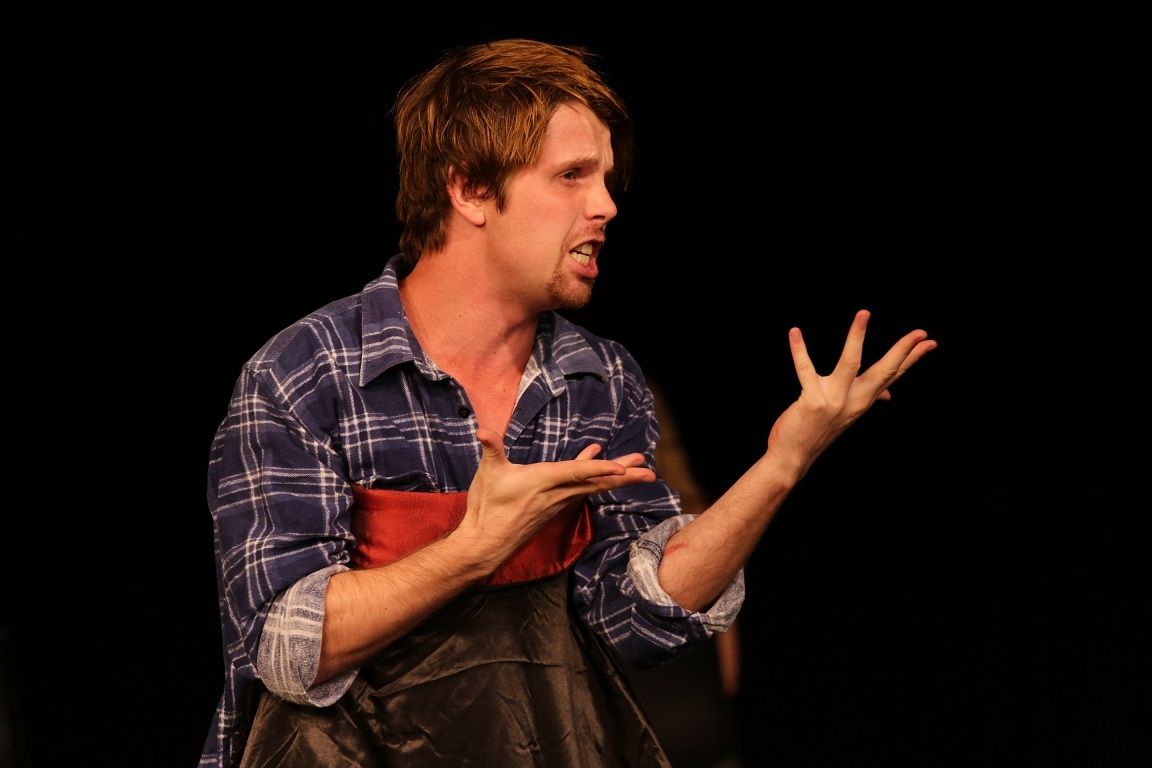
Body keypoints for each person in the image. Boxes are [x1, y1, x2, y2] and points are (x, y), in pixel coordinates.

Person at [199, 38, 937, 768]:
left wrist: (782, 464)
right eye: (572, 176)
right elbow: (285, 649)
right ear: (470, 189)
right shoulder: (308, 374)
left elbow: (638, 618)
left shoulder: (599, 380)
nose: (606, 206)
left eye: (607, 179)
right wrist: (474, 547)